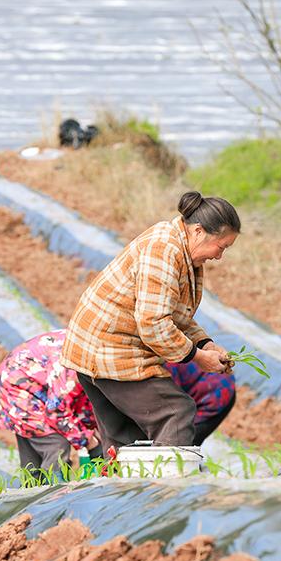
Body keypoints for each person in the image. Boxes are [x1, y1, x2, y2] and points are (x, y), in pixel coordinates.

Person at [61, 191, 241, 452]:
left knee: (126, 439)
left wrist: (206, 343)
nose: (219, 256)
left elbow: (175, 313)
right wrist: (198, 357)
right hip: (110, 351)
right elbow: (154, 323)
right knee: (176, 412)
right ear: (199, 231)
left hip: (94, 351)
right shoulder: (164, 251)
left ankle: (124, 489)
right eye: (221, 247)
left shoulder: (179, 247)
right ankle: (162, 490)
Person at [0, 330, 237, 482]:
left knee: (33, 445)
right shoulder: (82, 364)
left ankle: (29, 500)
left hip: (28, 380)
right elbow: (59, 406)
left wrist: (91, 435)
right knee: (54, 446)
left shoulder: (106, 359)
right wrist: (85, 439)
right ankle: (49, 503)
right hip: (21, 383)